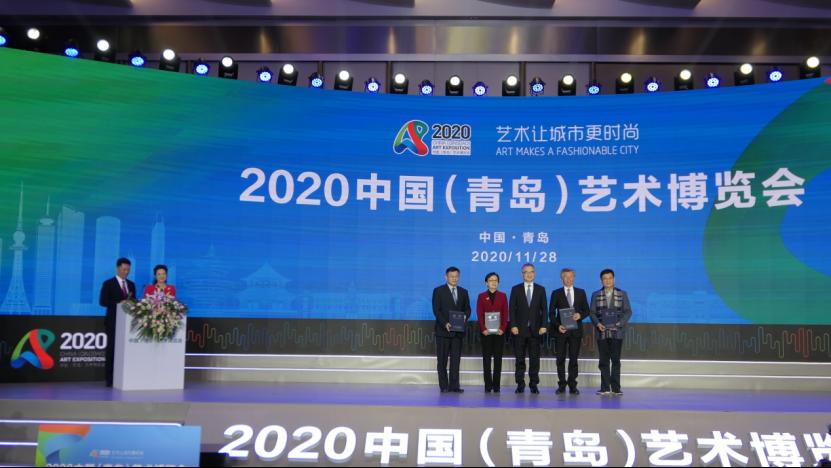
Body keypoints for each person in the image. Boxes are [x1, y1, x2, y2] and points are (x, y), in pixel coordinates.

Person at [589, 269, 633, 396]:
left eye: (610, 278)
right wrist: (598, 324)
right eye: (605, 278)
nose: (607, 281)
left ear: (614, 279)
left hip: (617, 332)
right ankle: (605, 388)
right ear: (601, 280)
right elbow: (592, 312)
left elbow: (628, 311)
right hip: (601, 332)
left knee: (615, 360)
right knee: (603, 361)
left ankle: (616, 388)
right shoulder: (596, 294)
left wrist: (619, 324)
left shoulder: (622, 294)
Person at [549, 268, 590, 395]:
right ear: (561, 278)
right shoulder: (556, 293)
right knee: (560, 359)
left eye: (571, 276)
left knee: (573, 359)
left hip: (575, 332)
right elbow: (551, 313)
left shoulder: (581, 292)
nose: (568, 279)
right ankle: (561, 385)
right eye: (565, 276)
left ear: (574, 277)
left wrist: (580, 315)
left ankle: (572, 385)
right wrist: (558, 326)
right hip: (561, 332)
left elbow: (587, 310)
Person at [509, 263, 548, 394]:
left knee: (534, 360)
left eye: (531, 272)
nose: (529, 274)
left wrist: (544, 325)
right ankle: (520, 384)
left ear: (534, 273)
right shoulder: (516, 289)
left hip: (536, 331)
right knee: (519, 359)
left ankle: (533, 384)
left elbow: (544, 310)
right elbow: (511, 309)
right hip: (519, 330)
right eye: (526, 272)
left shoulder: (541, 289)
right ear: (522, 274)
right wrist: (513, 325)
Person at [432, 266, 471, 393]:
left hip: (457, 333)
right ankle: (444, 386)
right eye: (451, 276)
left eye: (456, 276)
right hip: (443, 332)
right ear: (446, 277)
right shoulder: (438, 291)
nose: (454, 278)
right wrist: (445, 323)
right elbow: (436, 310)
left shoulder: (464, 292)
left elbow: (467, 309)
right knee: (442, 360)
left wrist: (465, 316)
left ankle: (454, 386)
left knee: (455, 361)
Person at [98, 258, 137, 387]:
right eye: (124, 269)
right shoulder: (108, 283)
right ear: (118, 268)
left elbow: (134, 301)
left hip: (128, 325)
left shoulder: (131, 284)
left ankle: (126, 377)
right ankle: (110, 379)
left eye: (128, 270)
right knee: (112, 351)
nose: (126, 272)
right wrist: (118, 303)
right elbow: (103, 302)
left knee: (127, 352)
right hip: (113, 323)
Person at [476, 272, 509, 393]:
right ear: (486, 283)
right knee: (486, 360)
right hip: (486, 333)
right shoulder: (481, 296)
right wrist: (483, 328)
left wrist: (503, 328)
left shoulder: (503, 296)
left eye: (495, 280)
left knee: (498, 359)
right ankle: (488, 385)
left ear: (498, 282)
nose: (493, 282)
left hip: (499, 333)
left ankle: (496, 386)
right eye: (491, 280)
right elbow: (479, 314)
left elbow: (505, 313)